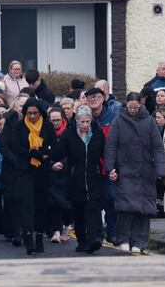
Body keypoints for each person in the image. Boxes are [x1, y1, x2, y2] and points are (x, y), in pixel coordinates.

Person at [105, 92, 165, 254]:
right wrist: (110, 167)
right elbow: (111, 145)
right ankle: (124, 238)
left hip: (146, 171)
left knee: (144, 209)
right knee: (126, 207)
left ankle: (140, 242)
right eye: (130, 107)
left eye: (136, 107)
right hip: (125, 170)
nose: (132, 110)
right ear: (126, 105)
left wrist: (160, 169)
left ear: (141, 105)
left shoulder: (149, 122)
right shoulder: (118, 122)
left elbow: (158, 147)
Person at [51, 105, 105, 254]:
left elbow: (105, 152)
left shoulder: (97, 134)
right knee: (79, 212)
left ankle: (95, 238)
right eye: (82, 122)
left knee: (93, 209)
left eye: (87, 122)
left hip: (94, 177)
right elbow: (57, 153)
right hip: (75, 179)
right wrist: (52, 161)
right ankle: (82, 241)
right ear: (76, 120)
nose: (85, 125)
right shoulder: (68, 135)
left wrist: (112, 168)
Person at [10, 97, 56, 255]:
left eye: (35, 113)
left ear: (40, 112)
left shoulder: (48, 126)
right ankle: (28, 236)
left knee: (41, 204)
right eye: (29, 113)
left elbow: (52, 145)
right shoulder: (20, 126)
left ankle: (39, 236)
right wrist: (31, 153)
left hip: (42, 170)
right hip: (24, 169)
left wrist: (43, 153)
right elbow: (15, 146)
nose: (32, 116)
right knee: (27, 203)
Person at [86, 86, 118, 245]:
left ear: (103, 98)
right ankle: (97, 235)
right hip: (92, 169)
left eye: (96, 96)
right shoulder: (85, 119)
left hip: (109, 167)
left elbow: (119, 143)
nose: (93, 99)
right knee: (94, 203)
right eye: (90, 97)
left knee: (111, 199)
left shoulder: (113, 117)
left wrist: (116, 167)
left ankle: (112, 233)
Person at [0, 94, 26, 246]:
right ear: (16, 107)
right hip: (11, 167)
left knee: (25, 200)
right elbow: (2, 145)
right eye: (21, 106)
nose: (23, 109)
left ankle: (24, 230)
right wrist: (15, 160)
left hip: (28, 167)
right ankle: (14, 231)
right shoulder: (10, 122)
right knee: (11, 200)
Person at [46, 106, 71, 244]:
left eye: (57, 120)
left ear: (62, 119)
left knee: (65, 204)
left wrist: (62, 163)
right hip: (50, 174)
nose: (55, 123)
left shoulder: (69, 132)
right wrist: (51, 165)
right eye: (52, 120)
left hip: (65, 173)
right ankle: (55, 231)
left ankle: (66, 226)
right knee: (52, 203)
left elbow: (72, 151)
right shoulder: (45, 133)